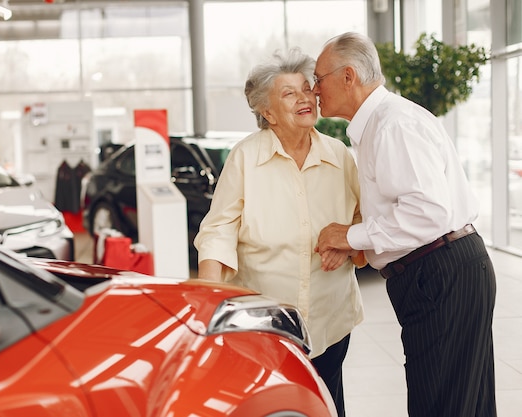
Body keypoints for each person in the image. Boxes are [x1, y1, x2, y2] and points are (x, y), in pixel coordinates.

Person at [314, 32, 497, 417]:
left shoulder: (391, 125)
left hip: (439, 271)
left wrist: (349, 236)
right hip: (446, 266)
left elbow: (426, 213)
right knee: (466, 403)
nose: (315, 91)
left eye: (318, 78)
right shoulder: (381, 123)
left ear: (348, 76)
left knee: (439, 404)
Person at [193, 47, 365, 417]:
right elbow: (218, 229)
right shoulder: (245, 159)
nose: (305, 97)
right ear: (266, 112)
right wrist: (209, 302)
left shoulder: (340, 156)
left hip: (329, 319)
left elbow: (366, 218)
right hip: (264, 324)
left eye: (307, 88)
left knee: (327, 404)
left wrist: (348, 243)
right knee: (272, 406)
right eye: (289, 93)